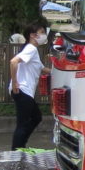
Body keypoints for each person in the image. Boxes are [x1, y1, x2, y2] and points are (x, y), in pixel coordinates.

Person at [9, 22, 50, 150]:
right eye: (42, 32)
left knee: (36, 117)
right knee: (23, 124)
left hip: (25, 92)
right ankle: (17, 151)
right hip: (22, 90)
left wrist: (59, 70)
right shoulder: (31, 48)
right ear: (33, 35)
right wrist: (15, 82)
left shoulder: (33, 50)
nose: (44, 35)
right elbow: (13, 61)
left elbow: (42, 68)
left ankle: (21, 146)